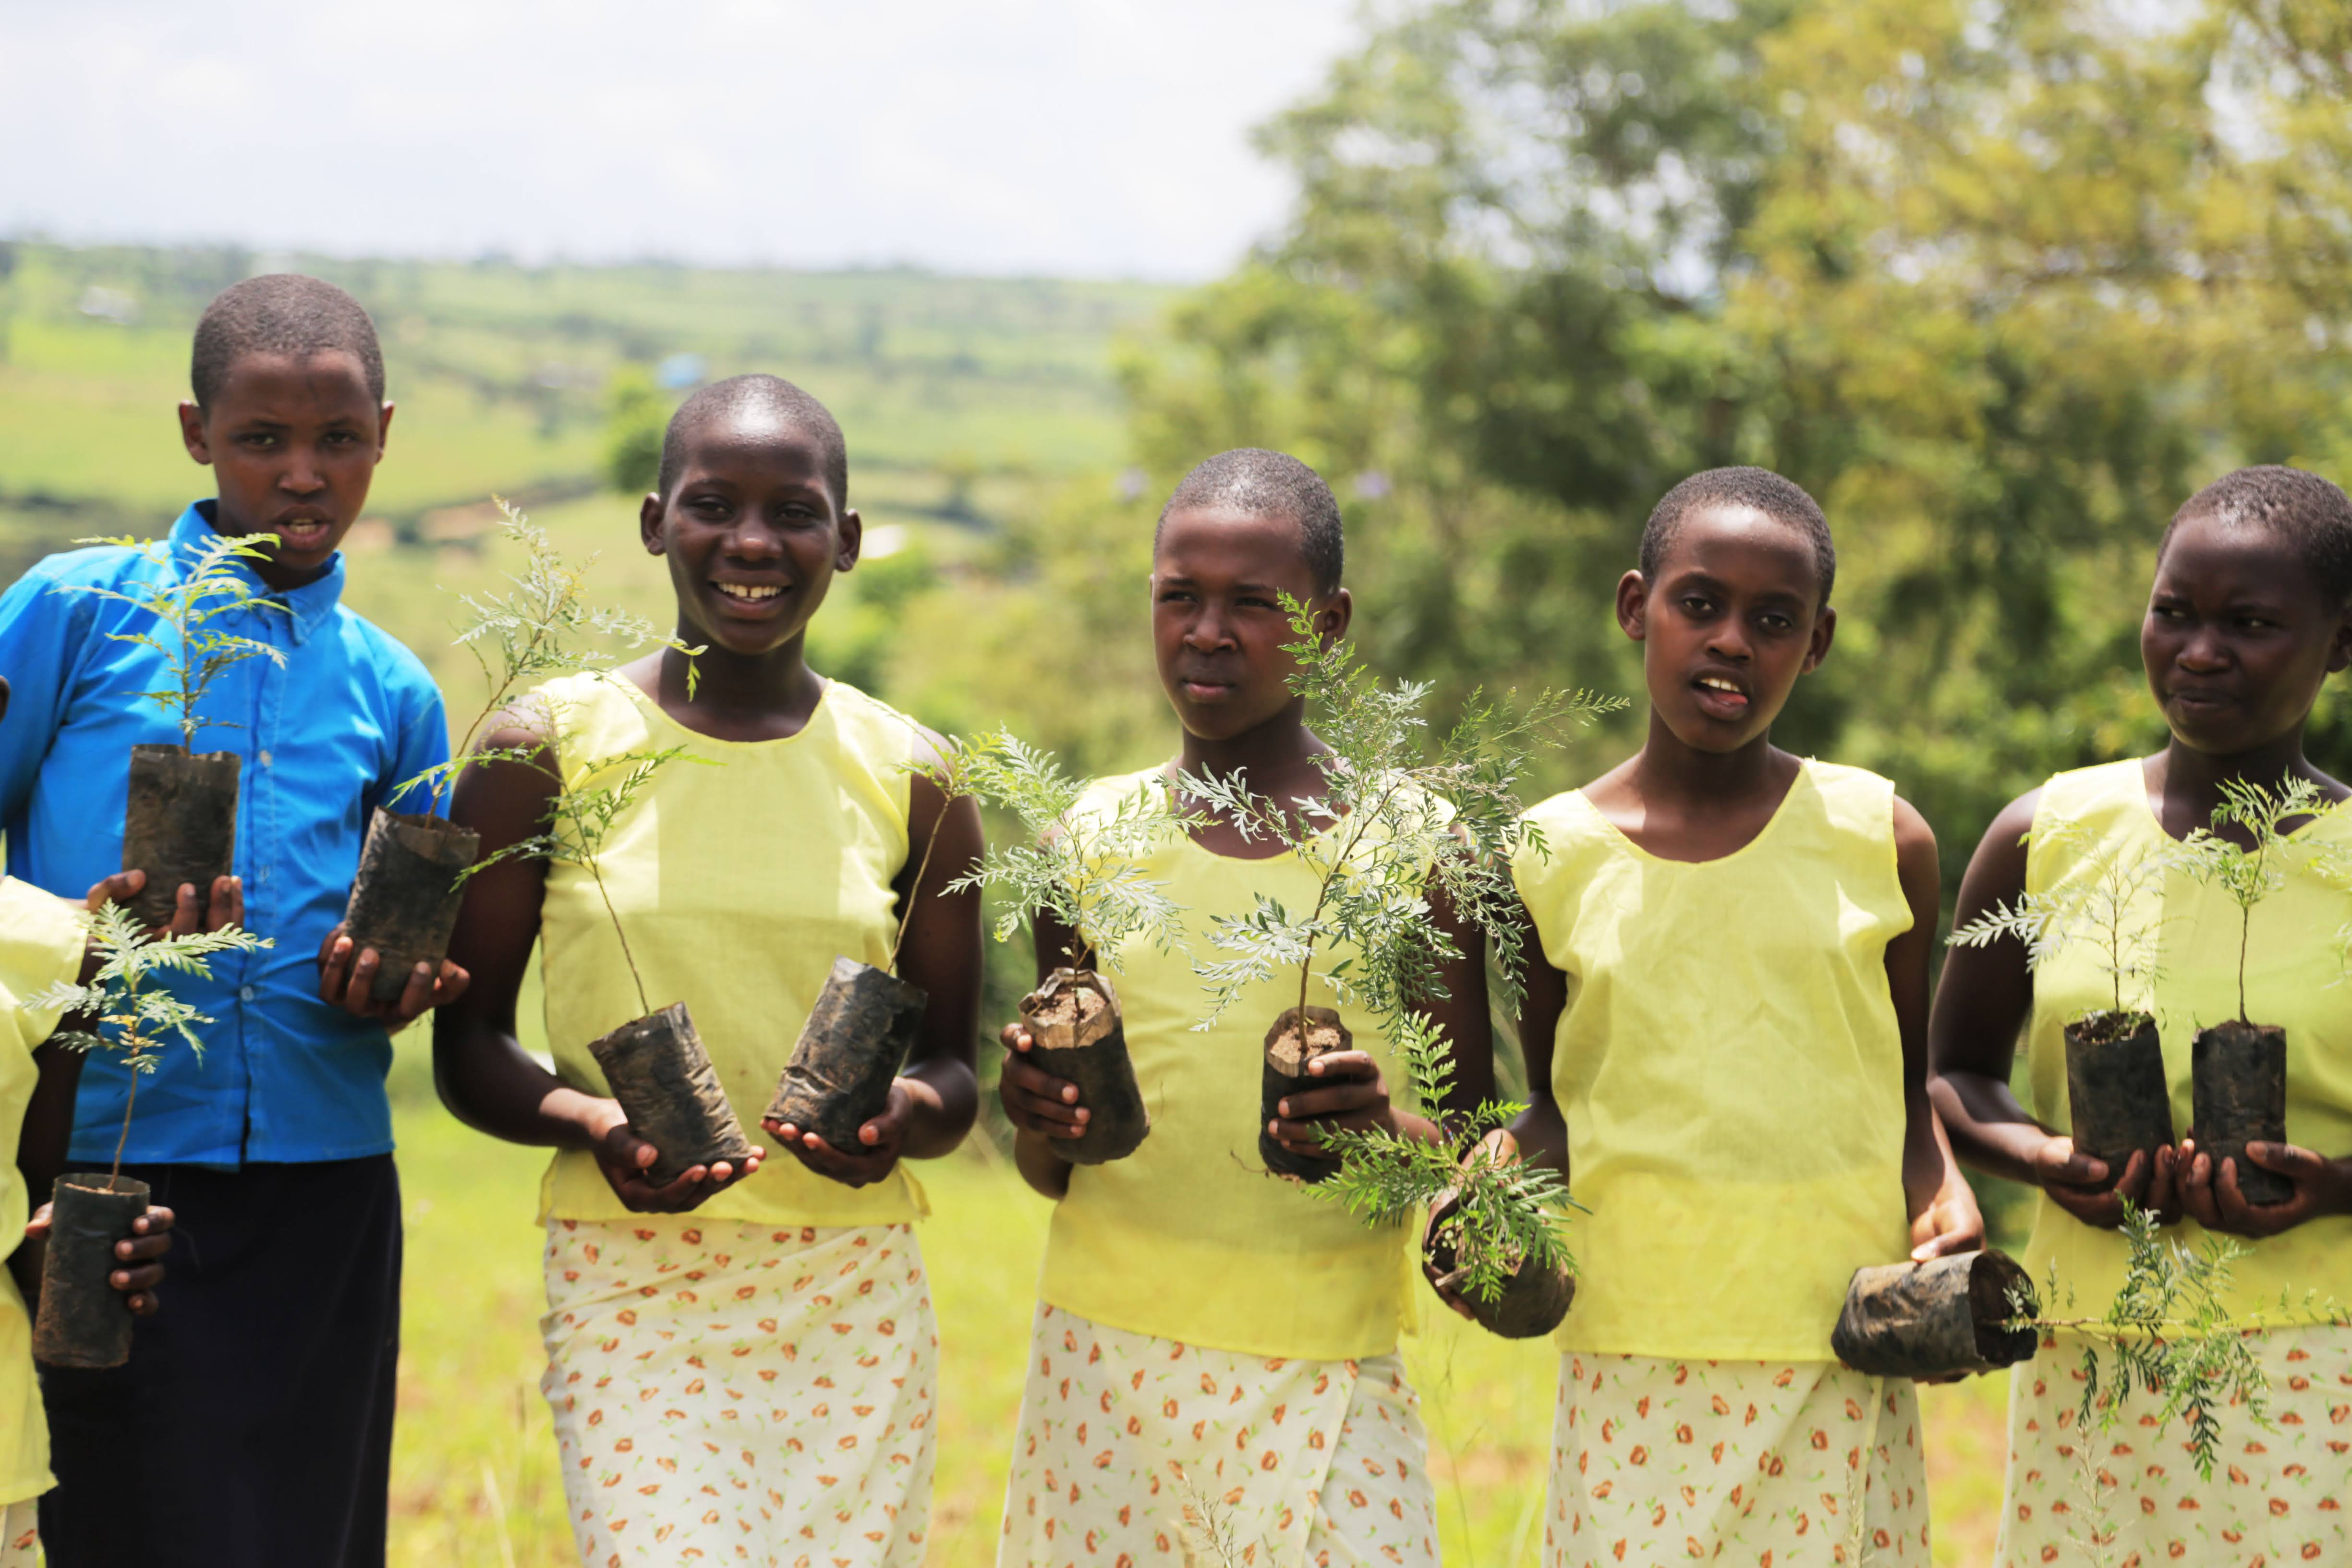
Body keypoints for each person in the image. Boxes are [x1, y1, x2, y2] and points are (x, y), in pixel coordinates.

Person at [435, 373, 982, 1566]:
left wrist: (902, 1113)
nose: (751, 543)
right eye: (711, 504)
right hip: (630, 1284)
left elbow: (954, 1065)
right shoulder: (548, 748)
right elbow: (465, 1049)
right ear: (653, 522)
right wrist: (592, 1123)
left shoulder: (914, 773)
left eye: (793, 512)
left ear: (844, 540)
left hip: (850, 1290)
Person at [0, 274, 463, 1567]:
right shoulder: (78, 615)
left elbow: (412, 921)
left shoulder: (396, 691)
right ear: (198, 434)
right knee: (115, 1516)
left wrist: (399, 979)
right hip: (92, 1163)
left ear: (385, 433)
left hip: (322, 1183)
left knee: (301, 1525)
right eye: (263, 439)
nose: (302, 475)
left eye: (338, 442)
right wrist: (69, 944)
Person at [994, 449, 1483, 1565]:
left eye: (1255, 604)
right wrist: (1036, 1116)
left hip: (1324, 1371)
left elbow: (1473, 1152)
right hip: (1103, 1367)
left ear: (1331, 620)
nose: (1208, 631)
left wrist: (1381, 1139)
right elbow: (1053, 1170)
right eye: (1180, 596)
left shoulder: (1415, 851)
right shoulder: (1088, 839)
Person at [1501, 466, 1981, 1566]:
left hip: (1836, 1339)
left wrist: (1943, 1191)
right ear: (1636, 607)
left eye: (1773, 621)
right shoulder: (1546, 853)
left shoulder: (1880, 835)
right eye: (1698, 604)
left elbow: (1906, 1098)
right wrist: (1491, 1173)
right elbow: (1551, 1104)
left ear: (1814, 645)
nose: (1730, 642)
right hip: (1634, 1346)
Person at [1931, 465, 2352, 1566]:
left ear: (2340, 642)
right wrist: (2047, 1157)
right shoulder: (2046, 832)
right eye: (2173, 612)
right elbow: (1951, 1073)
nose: (2199, 651)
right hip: (2091, 1355)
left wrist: (2332, 1187)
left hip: (2317, 1361)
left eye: (2250, 624)